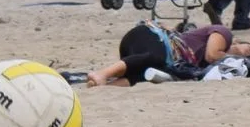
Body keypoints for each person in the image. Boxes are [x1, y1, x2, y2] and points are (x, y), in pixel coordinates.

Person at [84, 19, 234, 85]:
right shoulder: (224, 33)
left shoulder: (201, 66)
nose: (249, 53)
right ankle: (102, 74)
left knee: (149, 75)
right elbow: (212, 54)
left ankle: (104, 86)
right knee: (155, 58)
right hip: (148, 35)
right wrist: (237, 54)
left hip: (141, 54)